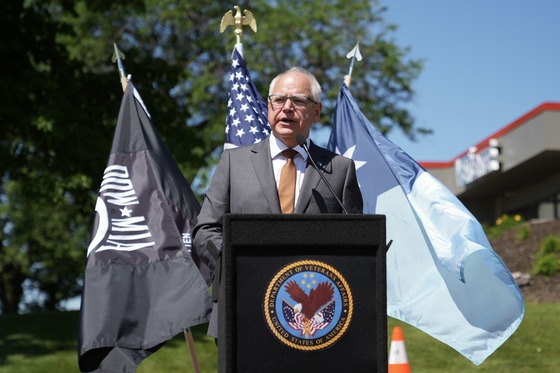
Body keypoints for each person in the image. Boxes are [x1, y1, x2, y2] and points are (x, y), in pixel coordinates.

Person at [192, 66, 363, 337]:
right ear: (269, 106)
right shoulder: (234, 163)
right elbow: (205, 231)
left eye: (298, 101)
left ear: (316, 111)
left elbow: (356, 243)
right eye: (279, 100)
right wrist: (237, 262)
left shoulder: (338, 170)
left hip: (314, 323)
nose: (287, 108)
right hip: (242, 309)